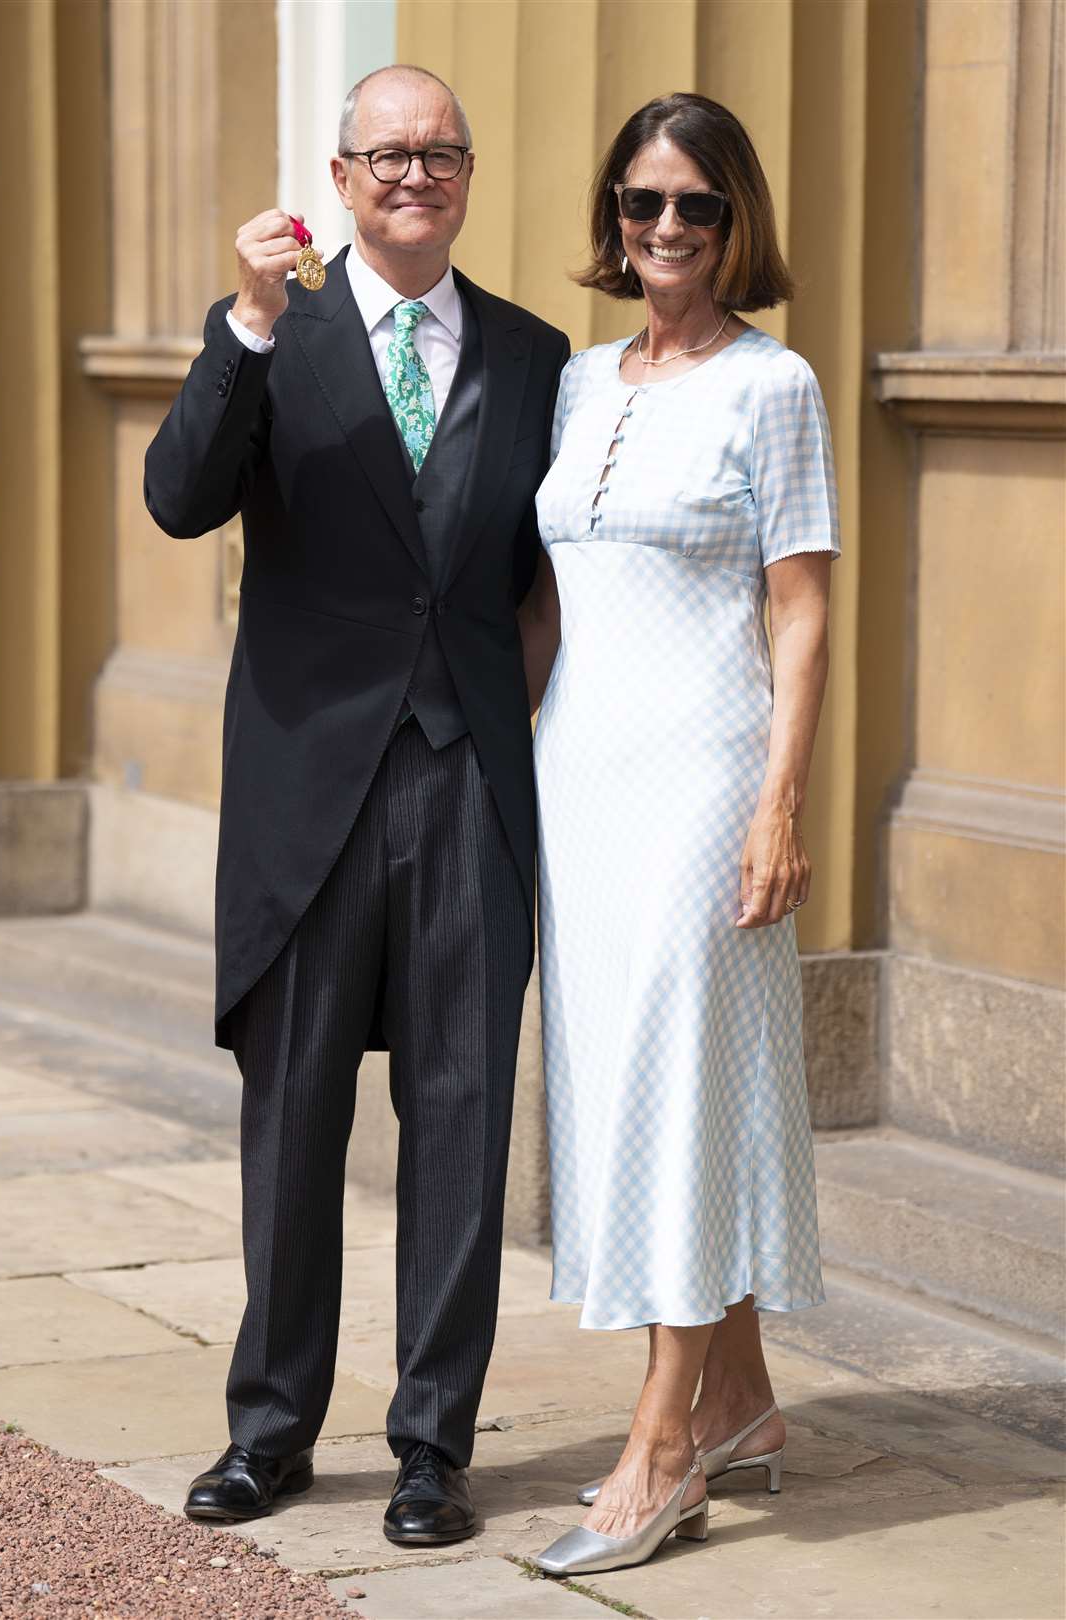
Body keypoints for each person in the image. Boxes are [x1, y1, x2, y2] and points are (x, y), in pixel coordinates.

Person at [144, 64, 568, 1546]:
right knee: (296, 1120)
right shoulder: (284, 334)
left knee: (459, 1120)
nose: (413, 175)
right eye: (384, 155)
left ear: (466, 177)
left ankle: (433, 1449)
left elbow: (549, 576)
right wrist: (245, 326)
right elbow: (180, 497)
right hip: (305, 788)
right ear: (339, 179)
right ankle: (269, 1434)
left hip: (466, 788)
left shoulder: (534, 355)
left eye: (439, 152)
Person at [518, 92, 839, 1576]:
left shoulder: (775, 386)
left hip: (706, 778)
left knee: (681, 1082)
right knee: (634, 1076)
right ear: (615, 217)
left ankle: (662, 1447)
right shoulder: (581, 384)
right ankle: (747, 1401)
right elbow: (545, 602)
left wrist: (780, 803)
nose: (664, 232)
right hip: (577, 778)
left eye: (694, 210)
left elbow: (803, 605)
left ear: (735, 225)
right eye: (642, 204)